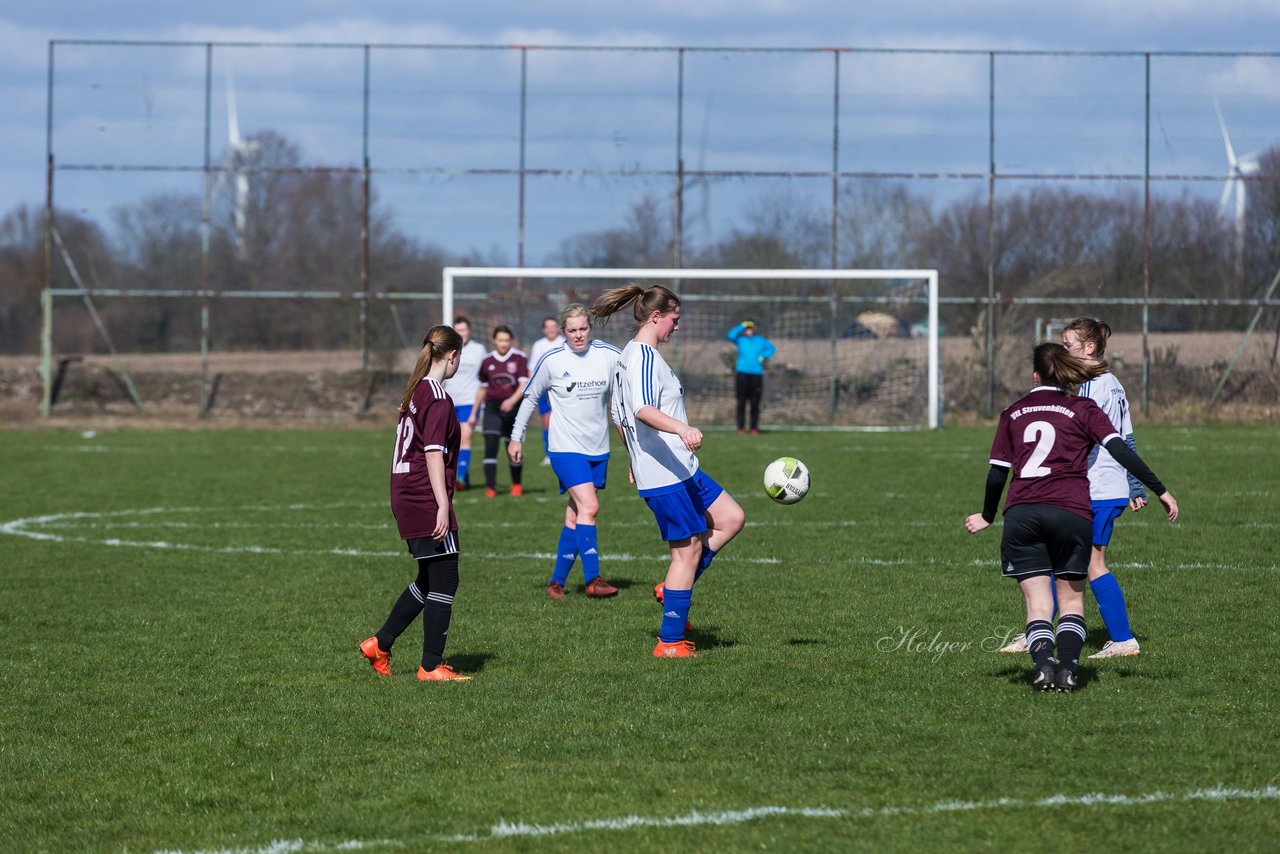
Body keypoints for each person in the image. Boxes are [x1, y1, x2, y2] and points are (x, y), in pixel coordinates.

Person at [964, 342, 1178, 692]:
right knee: (1072, 600)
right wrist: (1158, 489)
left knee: (1038, 603)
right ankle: (1067, 669)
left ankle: (1043, 666)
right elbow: (1121, 449)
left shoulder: (1013, 412)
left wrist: (988, 514)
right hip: (1072, 512)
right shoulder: (1084, 407)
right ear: (1066, 373)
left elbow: (996, 474)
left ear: (1035, 375)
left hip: (1023, 513)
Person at [590, 283, 746, 658]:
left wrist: (631, 454)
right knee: (686, 552)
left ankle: (673, 589)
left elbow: (618, 414)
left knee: (730, 518)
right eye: (674, 319)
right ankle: (671, 642)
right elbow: (641, 409)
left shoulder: (634, 356)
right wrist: (682, 429)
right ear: (656, 316)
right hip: (664, 474)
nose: (677, 326)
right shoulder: (641, 357)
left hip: (679, 467)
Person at [997, 318, 1149, 659]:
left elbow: (1112, 440)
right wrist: (1135, 483)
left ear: (1089, 348)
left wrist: (1132, 483)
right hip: (1094, 487)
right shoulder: (1104, 383)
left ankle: (1123, 640)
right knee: (1056, 561)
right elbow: (1128, 435)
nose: (1064, 351)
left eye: (1068, 346)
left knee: (1093, 564)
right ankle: (1038, 632)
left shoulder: (1097, 385)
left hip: (1098, 486)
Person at [359, 325, 472, 682]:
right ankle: (431, 665)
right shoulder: (437, 397)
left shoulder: (416, 391)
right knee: (446, 578)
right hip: (423, 494)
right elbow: (433, 453)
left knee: (429, 577)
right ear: (451, 355)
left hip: (405, 492)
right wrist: (442, 505)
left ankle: (381, 643)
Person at [509, 305, 622, 599]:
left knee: (576, 515)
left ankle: (556, 581)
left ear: (590, 328)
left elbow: (629, 389)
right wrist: (516, 438)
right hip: (565, 448)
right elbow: (530, 398)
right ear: (563, 332)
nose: (578, 335)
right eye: (572, 330)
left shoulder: (609, 356)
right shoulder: (553, 360)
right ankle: (593, 579)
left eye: (583, 328)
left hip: (599, 448)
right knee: (591, 507)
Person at [473, 325, 529, 498]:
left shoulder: (520, 358)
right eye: (500, 340)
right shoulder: (487, 361)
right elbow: (482, 388)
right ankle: (490, 488)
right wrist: (473, 412)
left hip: (513, 409)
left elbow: (523, 384)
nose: (503, 344)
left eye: (506, 340)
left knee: (512, 448)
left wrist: (511, 401)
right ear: (494, 341)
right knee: (490, 446)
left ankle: (516, 485)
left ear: (511, 341)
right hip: (492, 408)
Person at [442, 315, 487, 490]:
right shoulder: (448, 350)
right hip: (450, 400)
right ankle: (462, 476)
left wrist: (479, 405)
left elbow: (484, 378)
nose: (462, 333)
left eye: (464, 330)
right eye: (458, 330)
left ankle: (459, 478)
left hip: (470, 400)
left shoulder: (479, 350)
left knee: (465, 436)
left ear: (469, 331)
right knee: (451, 440)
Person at [527, 316, 566, 466]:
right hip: (544, 389)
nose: (551, 329)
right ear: (544, 329)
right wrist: (532, 388)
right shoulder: (539, 345)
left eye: (553, 326)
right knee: (547, 421)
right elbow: (532, 368)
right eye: (548, 327)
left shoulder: (564, 342)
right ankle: (549, 454)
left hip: (562, 388)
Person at [727, 319, 777, 434]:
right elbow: (730, 335)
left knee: (755, 402)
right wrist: (741, 325)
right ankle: (741, 428)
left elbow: (772, 348)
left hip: (756, 374)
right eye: (746, 329)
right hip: (742, 374)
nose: (748, 330)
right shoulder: (741, 340)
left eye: (750, 328)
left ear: (754, 329)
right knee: (741, 402)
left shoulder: (760, 340)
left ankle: (754, 428)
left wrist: (763, 356)